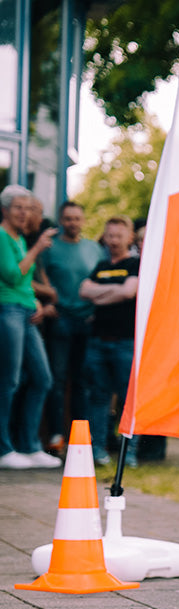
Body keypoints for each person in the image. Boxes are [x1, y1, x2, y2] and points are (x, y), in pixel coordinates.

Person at [0, 185, 60, 470]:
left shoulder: (19, 239)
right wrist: (37, 248)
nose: (24, 213)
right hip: (7, 311)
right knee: (8, 381)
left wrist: (36, 301)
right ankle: (4, 449)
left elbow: (23, 283)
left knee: (42, 379)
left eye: (28, 208)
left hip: (25, 311)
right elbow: (13, 276)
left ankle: (29, 446)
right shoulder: (1, 237)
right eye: (18, 208)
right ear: (5, 210)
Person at [38, 201, 104, 453]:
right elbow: (38, 277)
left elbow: (101, 280)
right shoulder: (50, 249)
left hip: (87, 321)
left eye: (77, 218)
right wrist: (46, 303)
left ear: (83, 220)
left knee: (81, 382)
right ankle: (56, 436)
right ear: (61, 220)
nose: (72, 223)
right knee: (57, 379)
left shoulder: (94, 249)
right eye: (68, 218)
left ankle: (80, 439)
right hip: (61, 320)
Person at [78, 215, 140, 467]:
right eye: (110, 235)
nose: (113, 241)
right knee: (99, 397)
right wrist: (115, 292)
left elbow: (130, 291)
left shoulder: (136, 264)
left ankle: (130, 453)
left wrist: (99, 293)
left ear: (129, 238)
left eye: (118, 236)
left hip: (126, 343)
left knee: (129, 399)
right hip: (98, 342)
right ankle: (97, 451)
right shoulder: (101, 264)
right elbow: (83, 291)